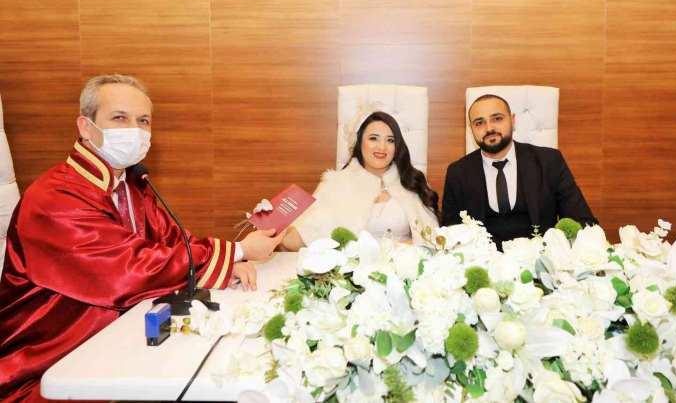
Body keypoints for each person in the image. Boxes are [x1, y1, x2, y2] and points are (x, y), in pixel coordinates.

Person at [0, 74, 283, 402]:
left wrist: (223, 264)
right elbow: (127, 272)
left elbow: (172, 241)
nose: (134, 130)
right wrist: (235, 251)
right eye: (120, 118)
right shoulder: (54, 198)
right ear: (85, 126)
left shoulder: (130, 184)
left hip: (119, 341)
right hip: (51, 363)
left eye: (143, 121)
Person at [442, 94, 595, 247]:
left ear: (513, 120)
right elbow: (450, 233)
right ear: (471, 129)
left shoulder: (549, 162)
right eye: (479, 123)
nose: (489, 128)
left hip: (541, 257)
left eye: (497, 119)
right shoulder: (458, 173)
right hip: (484, 259)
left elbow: (583, 222)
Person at [279, 111, 439, 250]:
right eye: (373, 138)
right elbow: (302, 237)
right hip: (351, 270)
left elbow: (431, 240)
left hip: (404, 266)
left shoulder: (411, 183)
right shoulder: (336, 185)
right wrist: (275, 228)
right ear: (359, 142)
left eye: (390, 140)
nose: (382, 147)